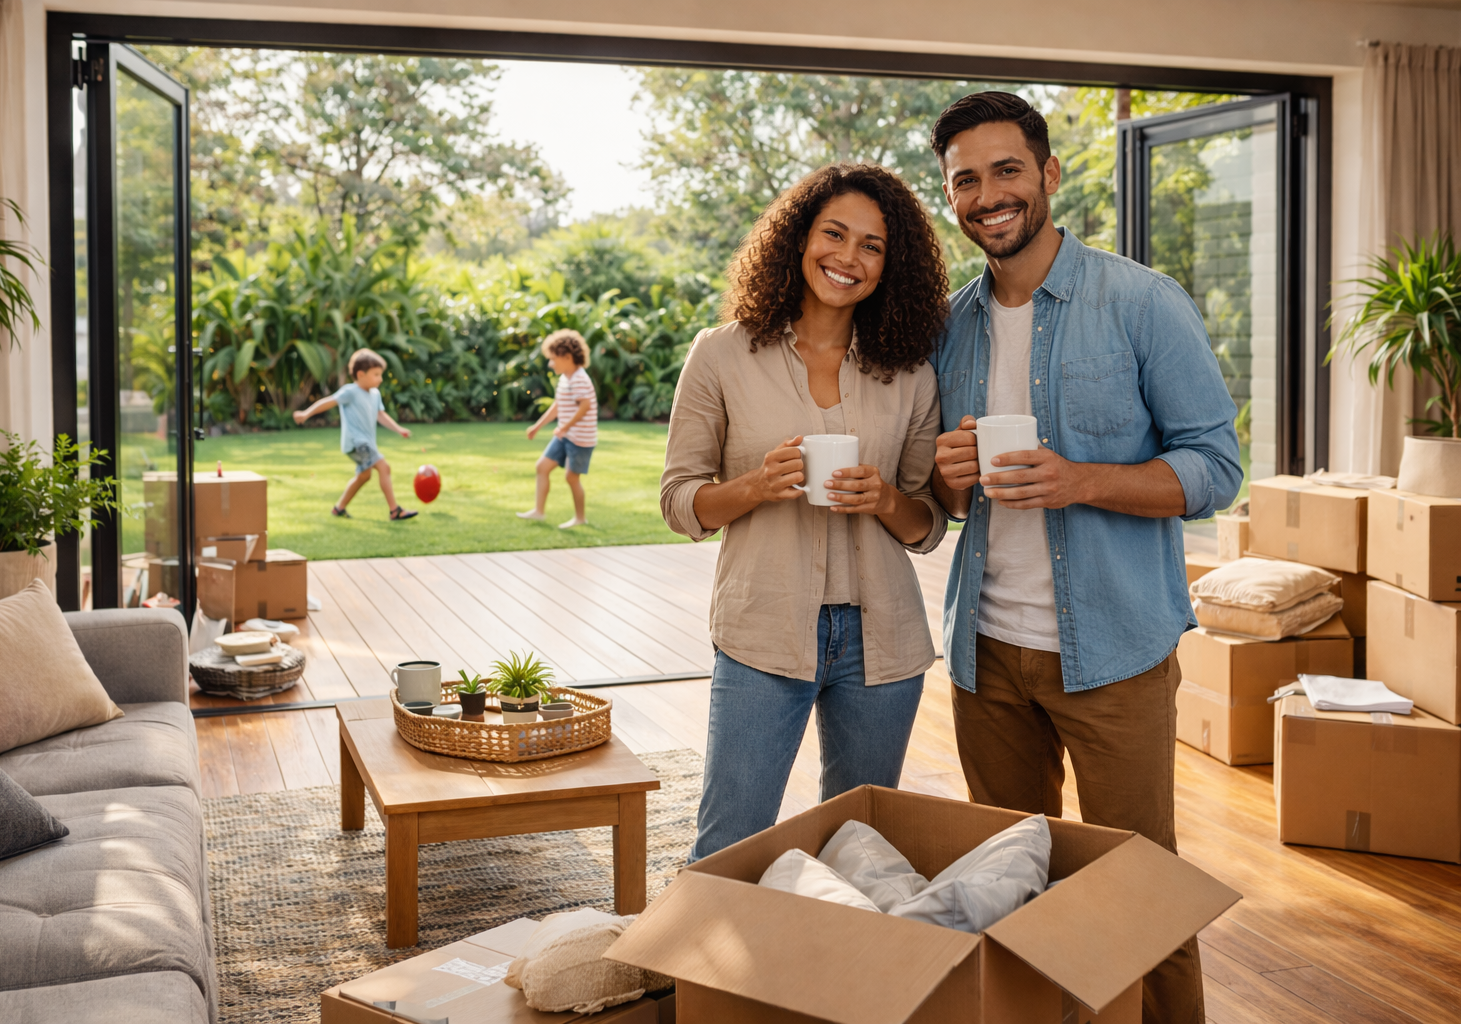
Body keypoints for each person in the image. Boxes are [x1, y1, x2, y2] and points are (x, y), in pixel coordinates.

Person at [926, 92, 1242, 1024]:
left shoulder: (1141, 301)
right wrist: (947, 475)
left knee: (1138, 891)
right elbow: (946, 508)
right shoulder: (952, 326)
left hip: (1112, 651)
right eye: (966, 180)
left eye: (1007, 170)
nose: (990, 195)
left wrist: (1083, 480)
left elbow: (1216, 468)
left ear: (1049, 175)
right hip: (986, 656)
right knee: (1009, 886)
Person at [661, 164, 950, 861]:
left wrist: (883, 498)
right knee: (730, 839)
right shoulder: (723, 354)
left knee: (861, 848)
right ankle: (711, 973)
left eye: (872, 246)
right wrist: (755, 487)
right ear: (798, 238)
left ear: (891, 265)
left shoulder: (909, 372)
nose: (848, 258)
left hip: (883, 639)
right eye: (835, 234)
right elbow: (678, 501)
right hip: (764, 626)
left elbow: (928, 524)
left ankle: (837, 970)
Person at [293, 347, 419, 521]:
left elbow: (380, 415)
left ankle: (339, 508)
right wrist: (306, 414)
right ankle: (394, 510)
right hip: (356, 443)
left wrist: (398, 429)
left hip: (366, 443)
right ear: (361, 374)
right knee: (384, 467)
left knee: (364, 476)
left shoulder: (375, 394)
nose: (380, 379)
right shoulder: (350, 392)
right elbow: (329, 402)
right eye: (376, 374)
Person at [519, 329, 597, 529]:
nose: (550, 363)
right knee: (542, 467)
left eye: (553, 359)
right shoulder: (565, 378)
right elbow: (558, 406)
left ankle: (580, 518)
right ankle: (539, 511)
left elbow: (585, 406)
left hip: (580, 438)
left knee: (571, 477)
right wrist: (537, 426)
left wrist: (565, 427)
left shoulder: (580, 378)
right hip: (565, 434)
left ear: (568, 357)